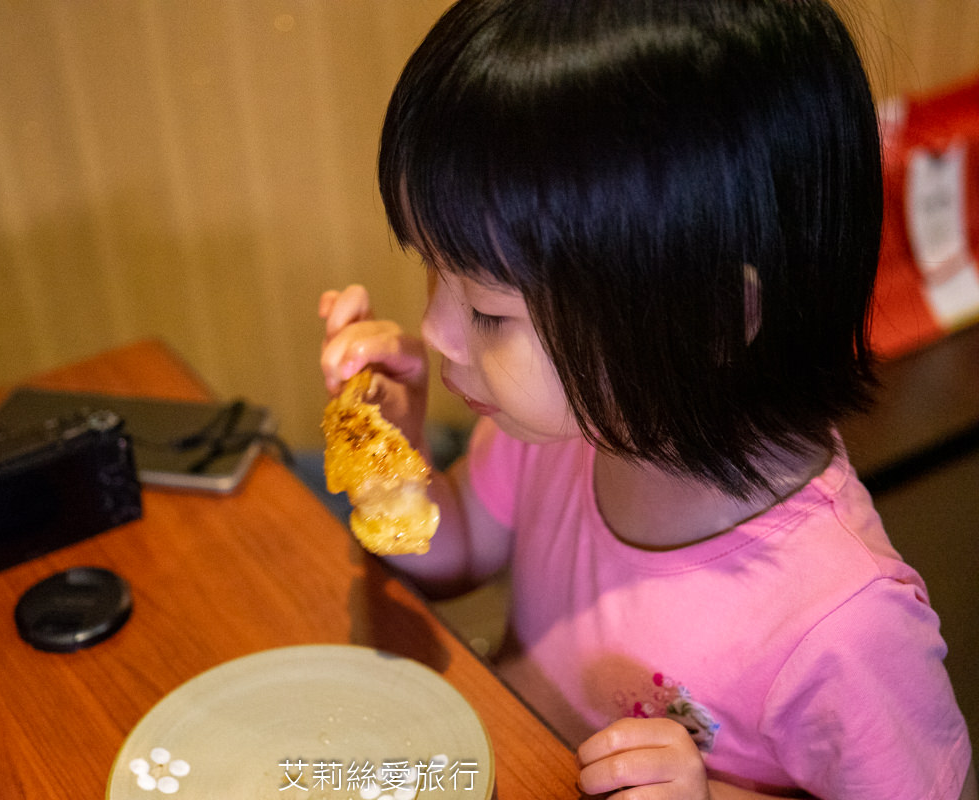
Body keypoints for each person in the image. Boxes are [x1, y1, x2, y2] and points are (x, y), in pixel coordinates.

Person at [318, 0, 976, 797]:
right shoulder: (568, 430)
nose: (435, 330)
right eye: (433, 271)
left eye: (489, 311)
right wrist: (393, 465)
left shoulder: (844, 623)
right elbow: (454, 556)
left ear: (704, 320)